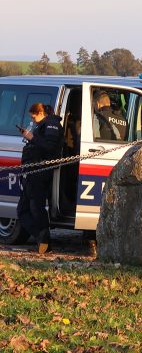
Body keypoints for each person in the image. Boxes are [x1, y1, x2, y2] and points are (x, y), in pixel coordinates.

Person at [17, 103, 64, 253]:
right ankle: (41, 238)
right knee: (23, 210)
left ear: (42, 112)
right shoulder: (42, 125)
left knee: (36, 207)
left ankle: (44, 241)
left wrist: (31, 137)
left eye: (34, 116)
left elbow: (49, 147)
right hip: (31, 171)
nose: (34, 120)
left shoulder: (52, 125)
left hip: (40, 170)